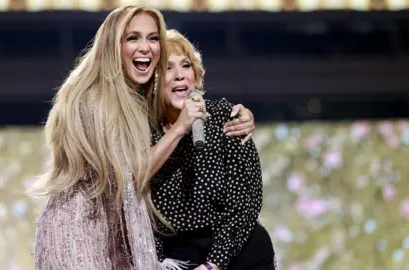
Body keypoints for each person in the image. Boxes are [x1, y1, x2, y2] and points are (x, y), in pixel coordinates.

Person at [32, 6, 256, 270]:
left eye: (153, 38)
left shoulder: (136, 102)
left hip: (117, 238)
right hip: (79, 234)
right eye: (133, 38)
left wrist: (242, 115)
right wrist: (179, 129)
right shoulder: (92, 99)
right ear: (112, 45)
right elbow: (126, 176)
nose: (145, 47)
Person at [150, 29, 277, 270]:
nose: (179, 76)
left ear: (196, 77)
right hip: (178, 259)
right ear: (154, 82)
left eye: (185, 66)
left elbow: (246, 200)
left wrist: (213, 264)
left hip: (236, 253)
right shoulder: (146, 133)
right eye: (168, 68)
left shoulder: (224, 115)